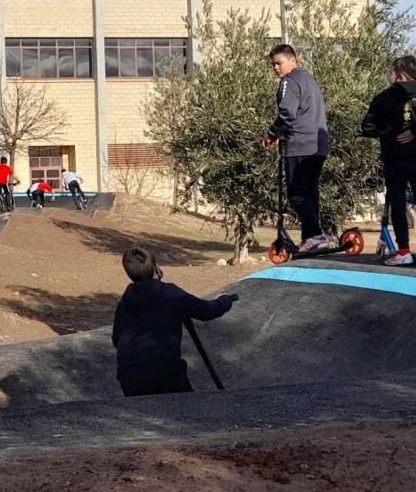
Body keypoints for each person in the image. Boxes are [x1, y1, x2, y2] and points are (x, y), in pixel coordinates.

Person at [111, 246, 238, 397]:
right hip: (165, 370)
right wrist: (224, 300)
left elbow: (116, 340)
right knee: (187, 407)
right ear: (156, 267)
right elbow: (207, 311)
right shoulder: (168, 293)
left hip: (129, 377)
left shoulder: (125, 302)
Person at [361, 56, 416, 265]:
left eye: (391, 72)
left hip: (394, 158)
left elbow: (367, 127)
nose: (389, 76)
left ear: (400, 75)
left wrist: (387, 131)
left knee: (397, 203)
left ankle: (404, 251)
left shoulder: (383, 98)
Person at [261, 44, 330, 251]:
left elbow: (287, 114)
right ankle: (311, 238)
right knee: (309, 193)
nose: (276, 68)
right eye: (273, 64)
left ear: (292, 60)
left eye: (279, 63)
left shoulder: (289, 81)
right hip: (318, 145)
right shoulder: (308, 79)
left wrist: (272, 134)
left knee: (297, 194)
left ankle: (316, 235)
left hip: (300, 144)